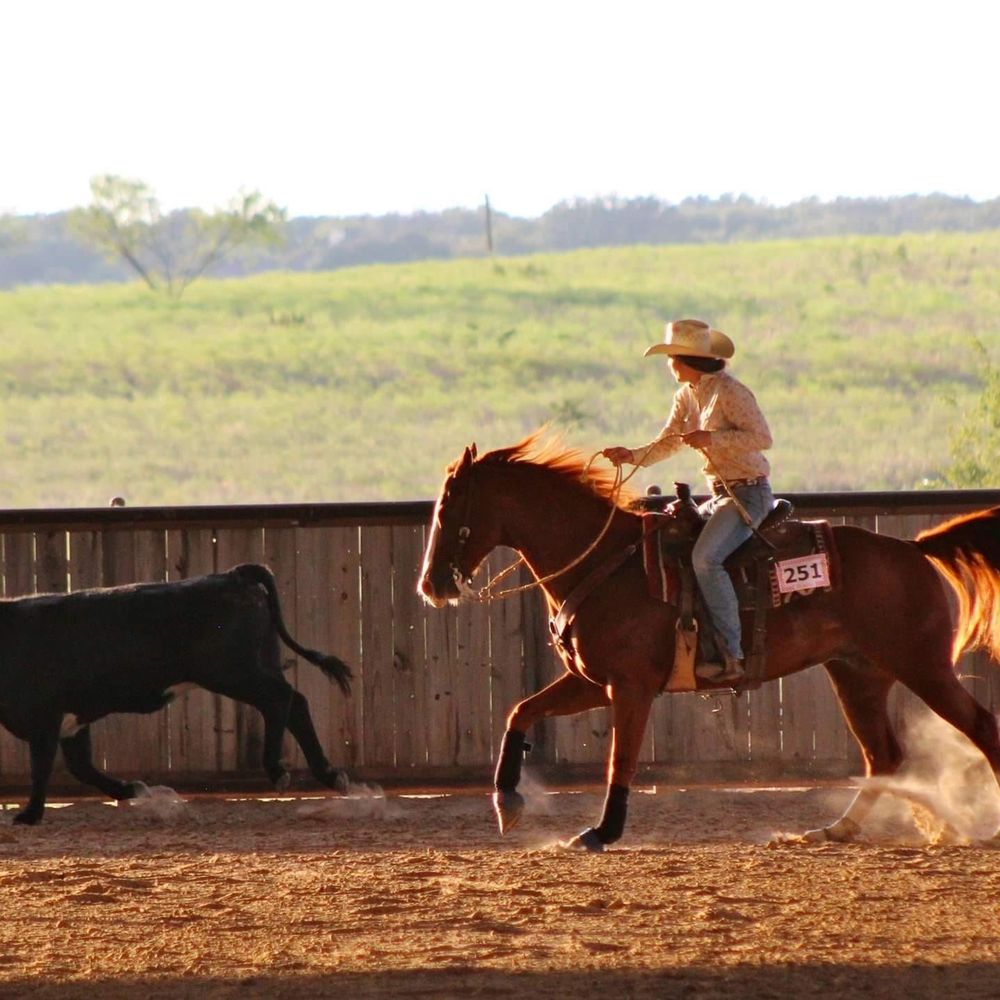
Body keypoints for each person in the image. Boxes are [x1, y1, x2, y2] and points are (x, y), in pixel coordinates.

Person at [602, 318, 774, 684]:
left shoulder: (731, 392)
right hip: (722, 494)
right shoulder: (688, 396)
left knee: (706, 559)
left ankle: (732, 652)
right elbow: (669, 441)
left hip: (748, 493)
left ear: (686, 360)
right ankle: (698, 640)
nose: (669, 366)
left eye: (672, 358)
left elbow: (761, 438)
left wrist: (711, 439)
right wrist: (631, 455)